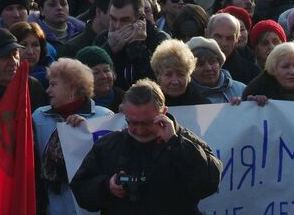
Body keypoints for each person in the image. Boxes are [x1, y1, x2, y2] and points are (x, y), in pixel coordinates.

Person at [70, 79, 222, 214]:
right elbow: (81, 190)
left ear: (163, 112)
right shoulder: (108, 145)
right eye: (133, 123)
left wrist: (175, 143)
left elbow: (208, 183)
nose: (140, 130)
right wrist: (107, 186)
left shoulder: (185, 141)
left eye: (147, 122)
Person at [32, 59, 113, 215]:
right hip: (54, 207)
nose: (48, 91)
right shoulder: (38, 117)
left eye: (53, 84)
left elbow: (109, 163)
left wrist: (86, 131)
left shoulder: (104, 116)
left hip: (92, 208)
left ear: (72, 88)